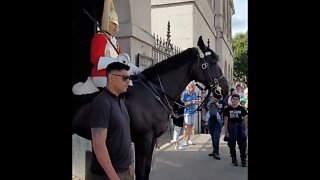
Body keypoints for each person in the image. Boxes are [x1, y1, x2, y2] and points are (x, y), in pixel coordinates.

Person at [72, 0, 142, 95]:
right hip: (101, 74)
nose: (116, 27)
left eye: (117, 24)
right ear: (107, 22)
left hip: (114, 74)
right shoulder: (99, 38)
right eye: (114, 23)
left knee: (129, 83)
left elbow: (123, 62)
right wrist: (116, 60)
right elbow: (96, 59)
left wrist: (136, 70)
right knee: (120, 85)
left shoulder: (114, 42)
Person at [90, 62, 134, 180]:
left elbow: (124, 134)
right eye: (125, 78)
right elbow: (98, 145)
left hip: (124, 171)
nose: (128, 82)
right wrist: (113, 176)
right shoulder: (101, 103)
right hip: (107, 175)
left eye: (129, 78)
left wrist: (129, 163)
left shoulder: (119, 101)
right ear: (112, 78)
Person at [224, 94, 248, 167]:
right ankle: (234, 159)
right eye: (233, 99)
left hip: (240, 127)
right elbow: (226, 121)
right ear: (231, 100)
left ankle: (243, 160)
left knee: (242, 144)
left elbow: (245, 119)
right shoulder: (227, 109)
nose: (235, 100)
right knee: (232, 144)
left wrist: (245, 130)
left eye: (236, 99)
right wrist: (226, 131)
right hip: (231, 127)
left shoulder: (242, 109)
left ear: (239, 100)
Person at [181, 82, 200, 146]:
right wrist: (191, 102)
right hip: (187, 112)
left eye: (194, 88)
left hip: (193, 111)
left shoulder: (194, 93)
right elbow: (183, 103)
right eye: (193, 88)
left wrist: (197, 102)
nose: (194, 89)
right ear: (189, 88)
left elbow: (196, 101)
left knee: (191, 126)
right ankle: (184, 141)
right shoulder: (185, 94)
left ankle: (188, 139)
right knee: (186, 127)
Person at [207, 89, 223, 160]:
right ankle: (214, 151)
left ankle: (216, 152)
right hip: (211, 120)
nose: (213, 97)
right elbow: (206, 107)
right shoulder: (210, 102)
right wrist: (211, 103)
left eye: (215, 96)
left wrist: (216, 103)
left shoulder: (222, 101)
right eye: (213, 96)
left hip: (218, 121)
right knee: (213, 136)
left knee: (216, 136)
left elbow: (222, 108)